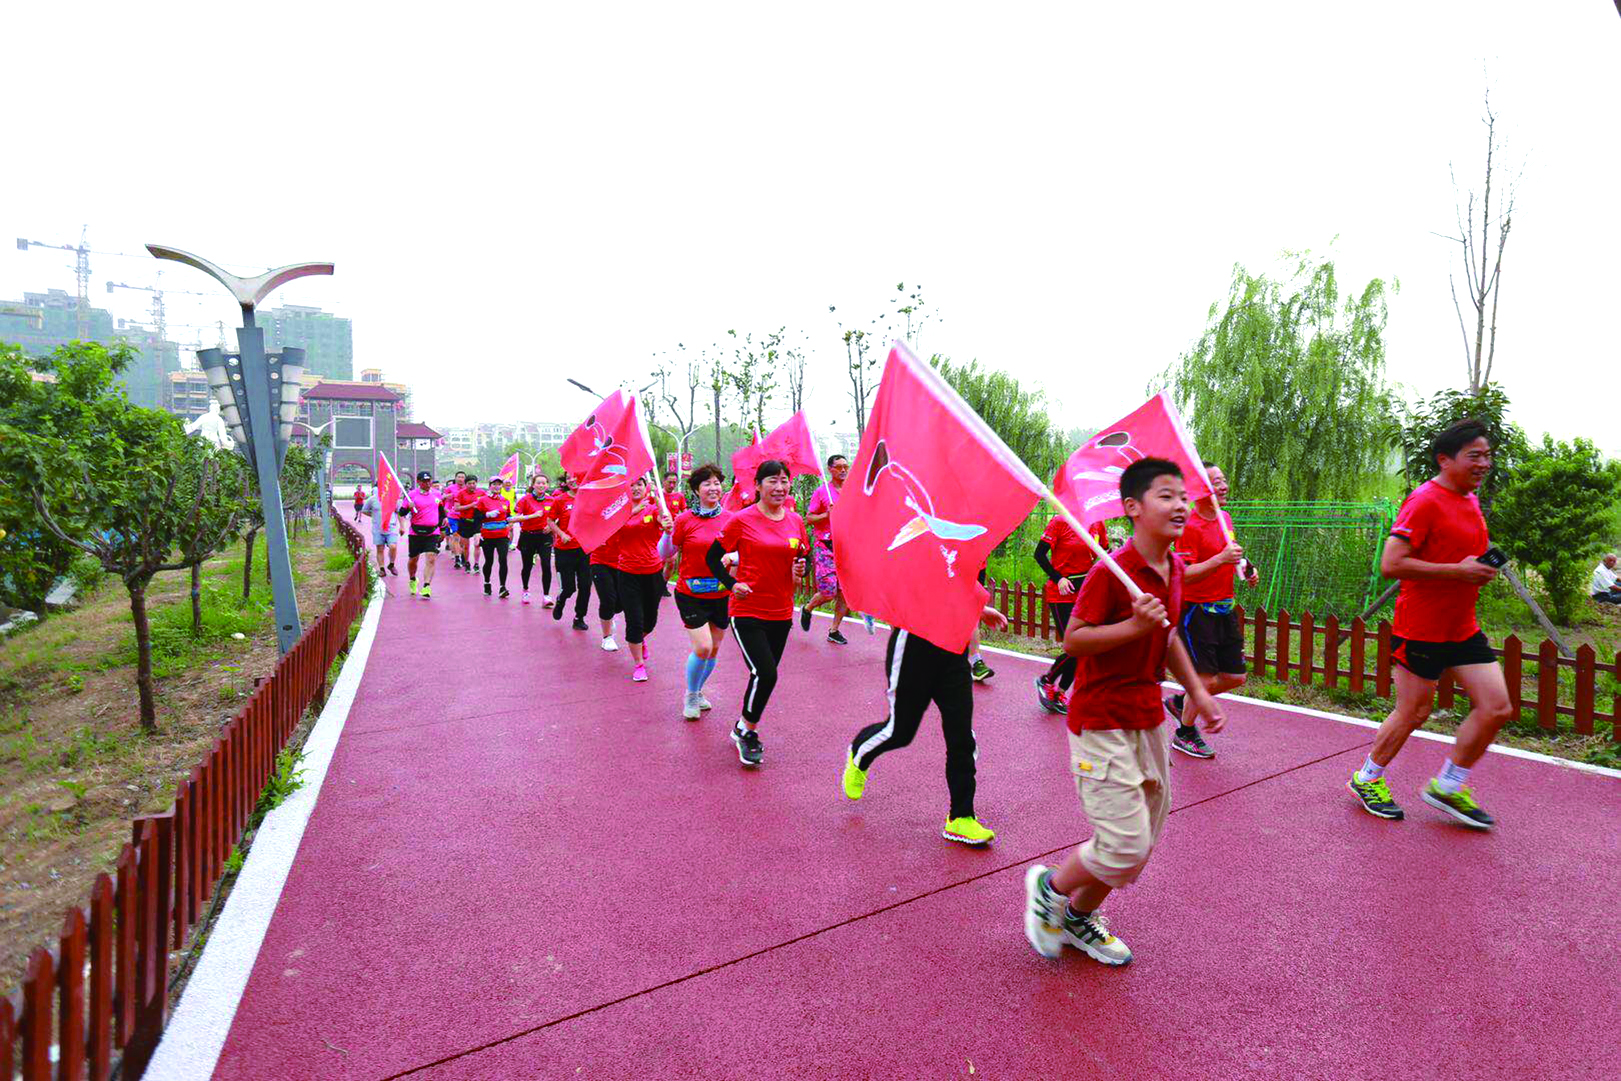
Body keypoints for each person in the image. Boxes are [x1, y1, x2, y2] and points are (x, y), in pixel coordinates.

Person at [1024, 458, 1223, 967]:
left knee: (1143, 843)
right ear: (1132, 508)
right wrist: (1135, 628)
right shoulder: (1111, 571)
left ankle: (1076, 918)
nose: (1180, 504)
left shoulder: (1175, 568)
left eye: (1182, 495)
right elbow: (1075, 639)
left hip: (1148, 718)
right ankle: (1049, 888)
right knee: (1123, 845)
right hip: (1101, 719)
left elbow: (1169, 634)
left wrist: (1197, 692)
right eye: (1166, 495)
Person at [1346, 419, 1513, 829]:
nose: (1484, 463)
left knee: (1496, 707)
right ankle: (1367, 778)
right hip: (1421, 627)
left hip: (1462, 627)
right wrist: (1457, 572)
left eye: (1487, 455)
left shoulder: (1469, 499)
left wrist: (1476, 567)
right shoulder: (1424, 500)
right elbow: (1392, 564)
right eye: (1474, 456)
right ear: (1445, 459)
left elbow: (1458, 553)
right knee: (1414, 711)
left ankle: (1448, 785)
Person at [842, 602, 1010, 846]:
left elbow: (953, 575)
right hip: (913, 647)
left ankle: (961, 816)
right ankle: (860, 753)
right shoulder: (905, 561)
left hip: (953, 647)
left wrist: (977, 606)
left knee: (961, 736)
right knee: (899, 732)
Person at [707, 460, 807, 767]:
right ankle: (748, 733)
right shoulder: (742, 519)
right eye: (772, 481)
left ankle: (741, 726)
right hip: (748, 609)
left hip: (781, 610)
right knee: (766, 672)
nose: (779, 487)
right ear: (759, 486)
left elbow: (799, 555)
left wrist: (799, 568)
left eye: (784, 481)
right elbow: (712, 557)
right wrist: (732, 584)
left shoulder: (795, 520)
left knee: (763, 676)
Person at [1162, 464, 1259, 758]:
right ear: (1201, 488)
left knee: (1235, 677)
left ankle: (1183, 701)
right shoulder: (1188, 524)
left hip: (1225, 607)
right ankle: (1185, 733)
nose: (1224, 486)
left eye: (1224, 480)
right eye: (1216, 482)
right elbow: (1183, 574)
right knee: (1203, 679)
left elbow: (1230, 551)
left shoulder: (1224, 517)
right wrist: (1220, 559)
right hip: (1196, 611)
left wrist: (1247, 567)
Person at [662, 464, 733, 719]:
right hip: (691, 593)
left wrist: (732, 558)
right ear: (696, 490)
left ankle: (699, 689)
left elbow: (741, 552)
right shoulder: (684, 520)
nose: (713, 488)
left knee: (713, 650)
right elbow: (666, 553)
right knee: (702, 647)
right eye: (707, 484)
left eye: (717, 483)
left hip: (722, 594)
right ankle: (691, 695)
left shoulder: (731, 519)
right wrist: (666, 533)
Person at [1034, 515, 1112, 714]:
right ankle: (1047, 681)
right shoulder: (1060, 521)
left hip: (1086, 592)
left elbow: (1104, 553)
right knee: (1075, 645)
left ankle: (1059, 691)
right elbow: (1039, 554)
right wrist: (1058, 578)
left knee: (1083, 647)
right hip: (1062, 593)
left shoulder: (1098, 522)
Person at [614, 477, 675, 682]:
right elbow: (612, 527)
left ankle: (640, 639)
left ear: (645, 487)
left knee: (651, 620)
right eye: (631, 485)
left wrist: (666, 523)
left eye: (639, 484)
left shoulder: (652, 509)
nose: (636, 488)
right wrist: (633, 509)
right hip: (627, 573)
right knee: (635, 620)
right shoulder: (618, 511)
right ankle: (639, 664)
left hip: (652, 572)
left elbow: (664, 522)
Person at [800, 454, 860, 644]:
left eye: (845, 467)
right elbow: (809, 518)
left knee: (845, 592)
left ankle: (834, 630)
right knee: (828, 592)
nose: (843, 470)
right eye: (839, 467)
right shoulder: (822, 492)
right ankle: (808, 608)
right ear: (830, 469)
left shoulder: (852, 491)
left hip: (847, 547)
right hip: (826, 547)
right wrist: (827, 514)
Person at [548, 473, 593, 630]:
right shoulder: (560, 500)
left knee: (586, 585)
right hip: (564, 550)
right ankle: (561, 600)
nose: (572, 481)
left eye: (575, 477)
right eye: (569, 479)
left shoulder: (589, 498)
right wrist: (561, 534)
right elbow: (550, 520)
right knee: (569, 588)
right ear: (565, 482)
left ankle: (579, 617)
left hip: (584, 550)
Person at [469, 477, 513, 597]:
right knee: (489, 561)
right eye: (494, 484)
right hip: (488, 535)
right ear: (490, 486)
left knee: (503, 560)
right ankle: (487, 583)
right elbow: (476, 518)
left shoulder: (505, 501)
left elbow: (508, 516)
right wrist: (486, 514)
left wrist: (510, 525)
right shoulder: (482, 500)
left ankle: (502, 587)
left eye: (499, 484)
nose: (497, 486)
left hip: (502, 535)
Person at [513, 476, 553, 605]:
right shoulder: (525, 500)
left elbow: (557, 517)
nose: (541, 485)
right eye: (538, 483)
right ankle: (525, 590)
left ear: (547, 485)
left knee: (546, 565)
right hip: (528, 536)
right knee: (527, 566)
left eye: (544, 483)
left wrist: (551, 526)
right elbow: (515, 519)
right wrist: (532, 516)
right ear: (533, 485)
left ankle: (546, 596)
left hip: (544, 536)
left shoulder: (552, 500)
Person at [403, 471, 442, 599]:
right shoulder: (411, 495)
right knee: (413, 560)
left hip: (432, 532)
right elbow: (401, 512)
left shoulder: (437, 494)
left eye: (429, 480)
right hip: (415, 532)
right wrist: (408, 507)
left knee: (431, 558)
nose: (427, 483)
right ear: (419, 482)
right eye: (424, 481)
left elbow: (440, 510)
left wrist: (443, 521)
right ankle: (413, 579)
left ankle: (426, 586)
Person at [589, 522, 624, 652]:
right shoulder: (599, 510)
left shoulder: (628, 509)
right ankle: (607, 637)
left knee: (620, 604)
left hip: (622, 561)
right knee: (608, 599)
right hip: (600, 561)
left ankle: (608, 617)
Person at [360, 485, 402, 577]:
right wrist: (374, 516)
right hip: (378, 528)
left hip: (391, 528)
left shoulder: (394, 499)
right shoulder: (372, 499)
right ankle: (382, 569)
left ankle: (391, 564)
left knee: (393, 546)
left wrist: (402, 526)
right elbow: (364, 510)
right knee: (380, 549)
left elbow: (400, 513)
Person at [454, 476, 486, 574]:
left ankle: (476, 564)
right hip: (465, 521)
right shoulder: (461, 494)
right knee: (466, 546)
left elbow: (486, 505)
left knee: (477, 544)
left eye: (474, 483)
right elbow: (457, 508)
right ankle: (467, 562)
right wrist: (471, 505)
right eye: (469, 483)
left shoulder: (481, 493)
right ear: (465, 484)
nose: (472, 485)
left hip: (477, 522)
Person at [442, 471, 468, 569]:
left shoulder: (467, 489)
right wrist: (447, 496)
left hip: (464, 517)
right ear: (455, 478)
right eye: (459, 477)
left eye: (462, 477)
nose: (461, 479)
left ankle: (462, 555)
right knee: (456, 536)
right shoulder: (450, 488)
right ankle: (457, 558)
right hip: (452, 516)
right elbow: (442, 498)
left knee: (463, 539)